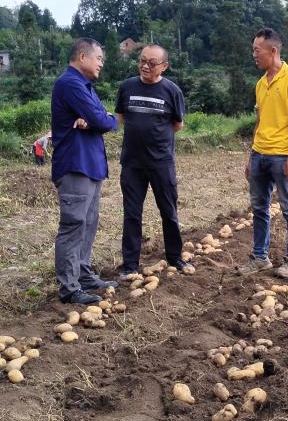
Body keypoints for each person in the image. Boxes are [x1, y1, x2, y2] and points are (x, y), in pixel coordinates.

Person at [115, 44, 194, 277]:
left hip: (161, 162)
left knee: (168, 211)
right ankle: (130, 264)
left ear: (164, 66)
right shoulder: (127, 87)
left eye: (151, 62)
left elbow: (177, 124)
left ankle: (174, 257)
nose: (145, 66)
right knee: (131, 213)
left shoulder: (172, 91)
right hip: (132, 162)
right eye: (142, 61)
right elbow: (120, 117)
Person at [51, 39, 120, 304]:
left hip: (90, 165)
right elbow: (103, 120)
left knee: (88, 223)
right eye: (99, 58)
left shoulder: (83, 86)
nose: (102, 63)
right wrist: (103, 119)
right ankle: (69, 288)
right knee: (73, 224)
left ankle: (83, 273)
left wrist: (94, 119)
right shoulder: (70, 84)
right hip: (75, 164)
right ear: (83, 57)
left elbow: (96, 118)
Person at [238, 28, 288, 279]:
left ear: (273, 51)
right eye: (253, 50)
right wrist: (250, 156)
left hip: (282, 156)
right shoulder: (260, 83)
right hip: (259, 154)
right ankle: (260, 257)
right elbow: (259, 122)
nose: (253, 55)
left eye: (257, 50)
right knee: (259, 209)